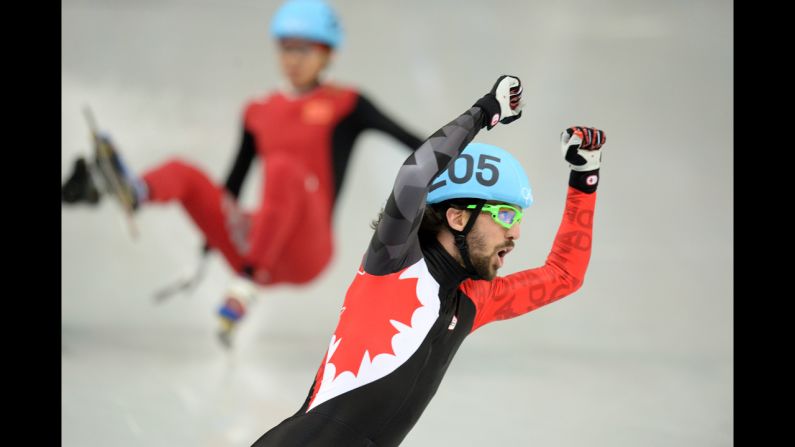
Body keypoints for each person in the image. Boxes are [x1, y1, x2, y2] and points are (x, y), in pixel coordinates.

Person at [250, 75, 606, 446]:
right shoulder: (393, 261)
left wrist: (585, 178)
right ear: (457, 217)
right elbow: (415, 175)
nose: (515, 234)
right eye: (504, 216)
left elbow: (564, 275)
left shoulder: (474, 301)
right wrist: (484, 112)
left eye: (517, 219)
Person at [60, 0, 424, 347]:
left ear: (328, 53)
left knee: (284, 167)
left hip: (307, 251)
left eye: (304, 49)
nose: (292, 59)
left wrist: (463, 157)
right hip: (258, 239)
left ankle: (244, 288)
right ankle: (133, 190)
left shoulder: (346, 103)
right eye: (285, 48)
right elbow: (233, 183)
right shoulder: (258, 109)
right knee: (184, 170)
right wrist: (208, 243)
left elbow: (411, 140)